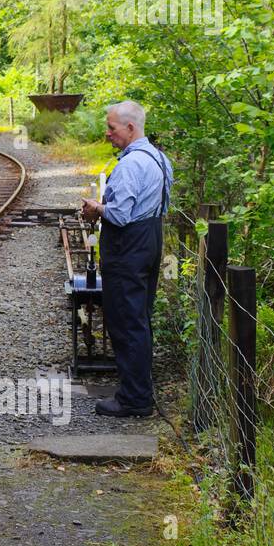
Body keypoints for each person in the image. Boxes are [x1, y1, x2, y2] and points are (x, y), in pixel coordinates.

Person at [80, 100, 173, 418]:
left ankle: (134, 399)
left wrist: (96, 209)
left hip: (128, 246)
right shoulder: (160, 159)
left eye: (111, 128)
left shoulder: (132, 165)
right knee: (140, 319)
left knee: (125, 321)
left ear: (130, 128)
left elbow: (119, 215)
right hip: (150, 240)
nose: (107, 133)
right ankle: (138, 390)